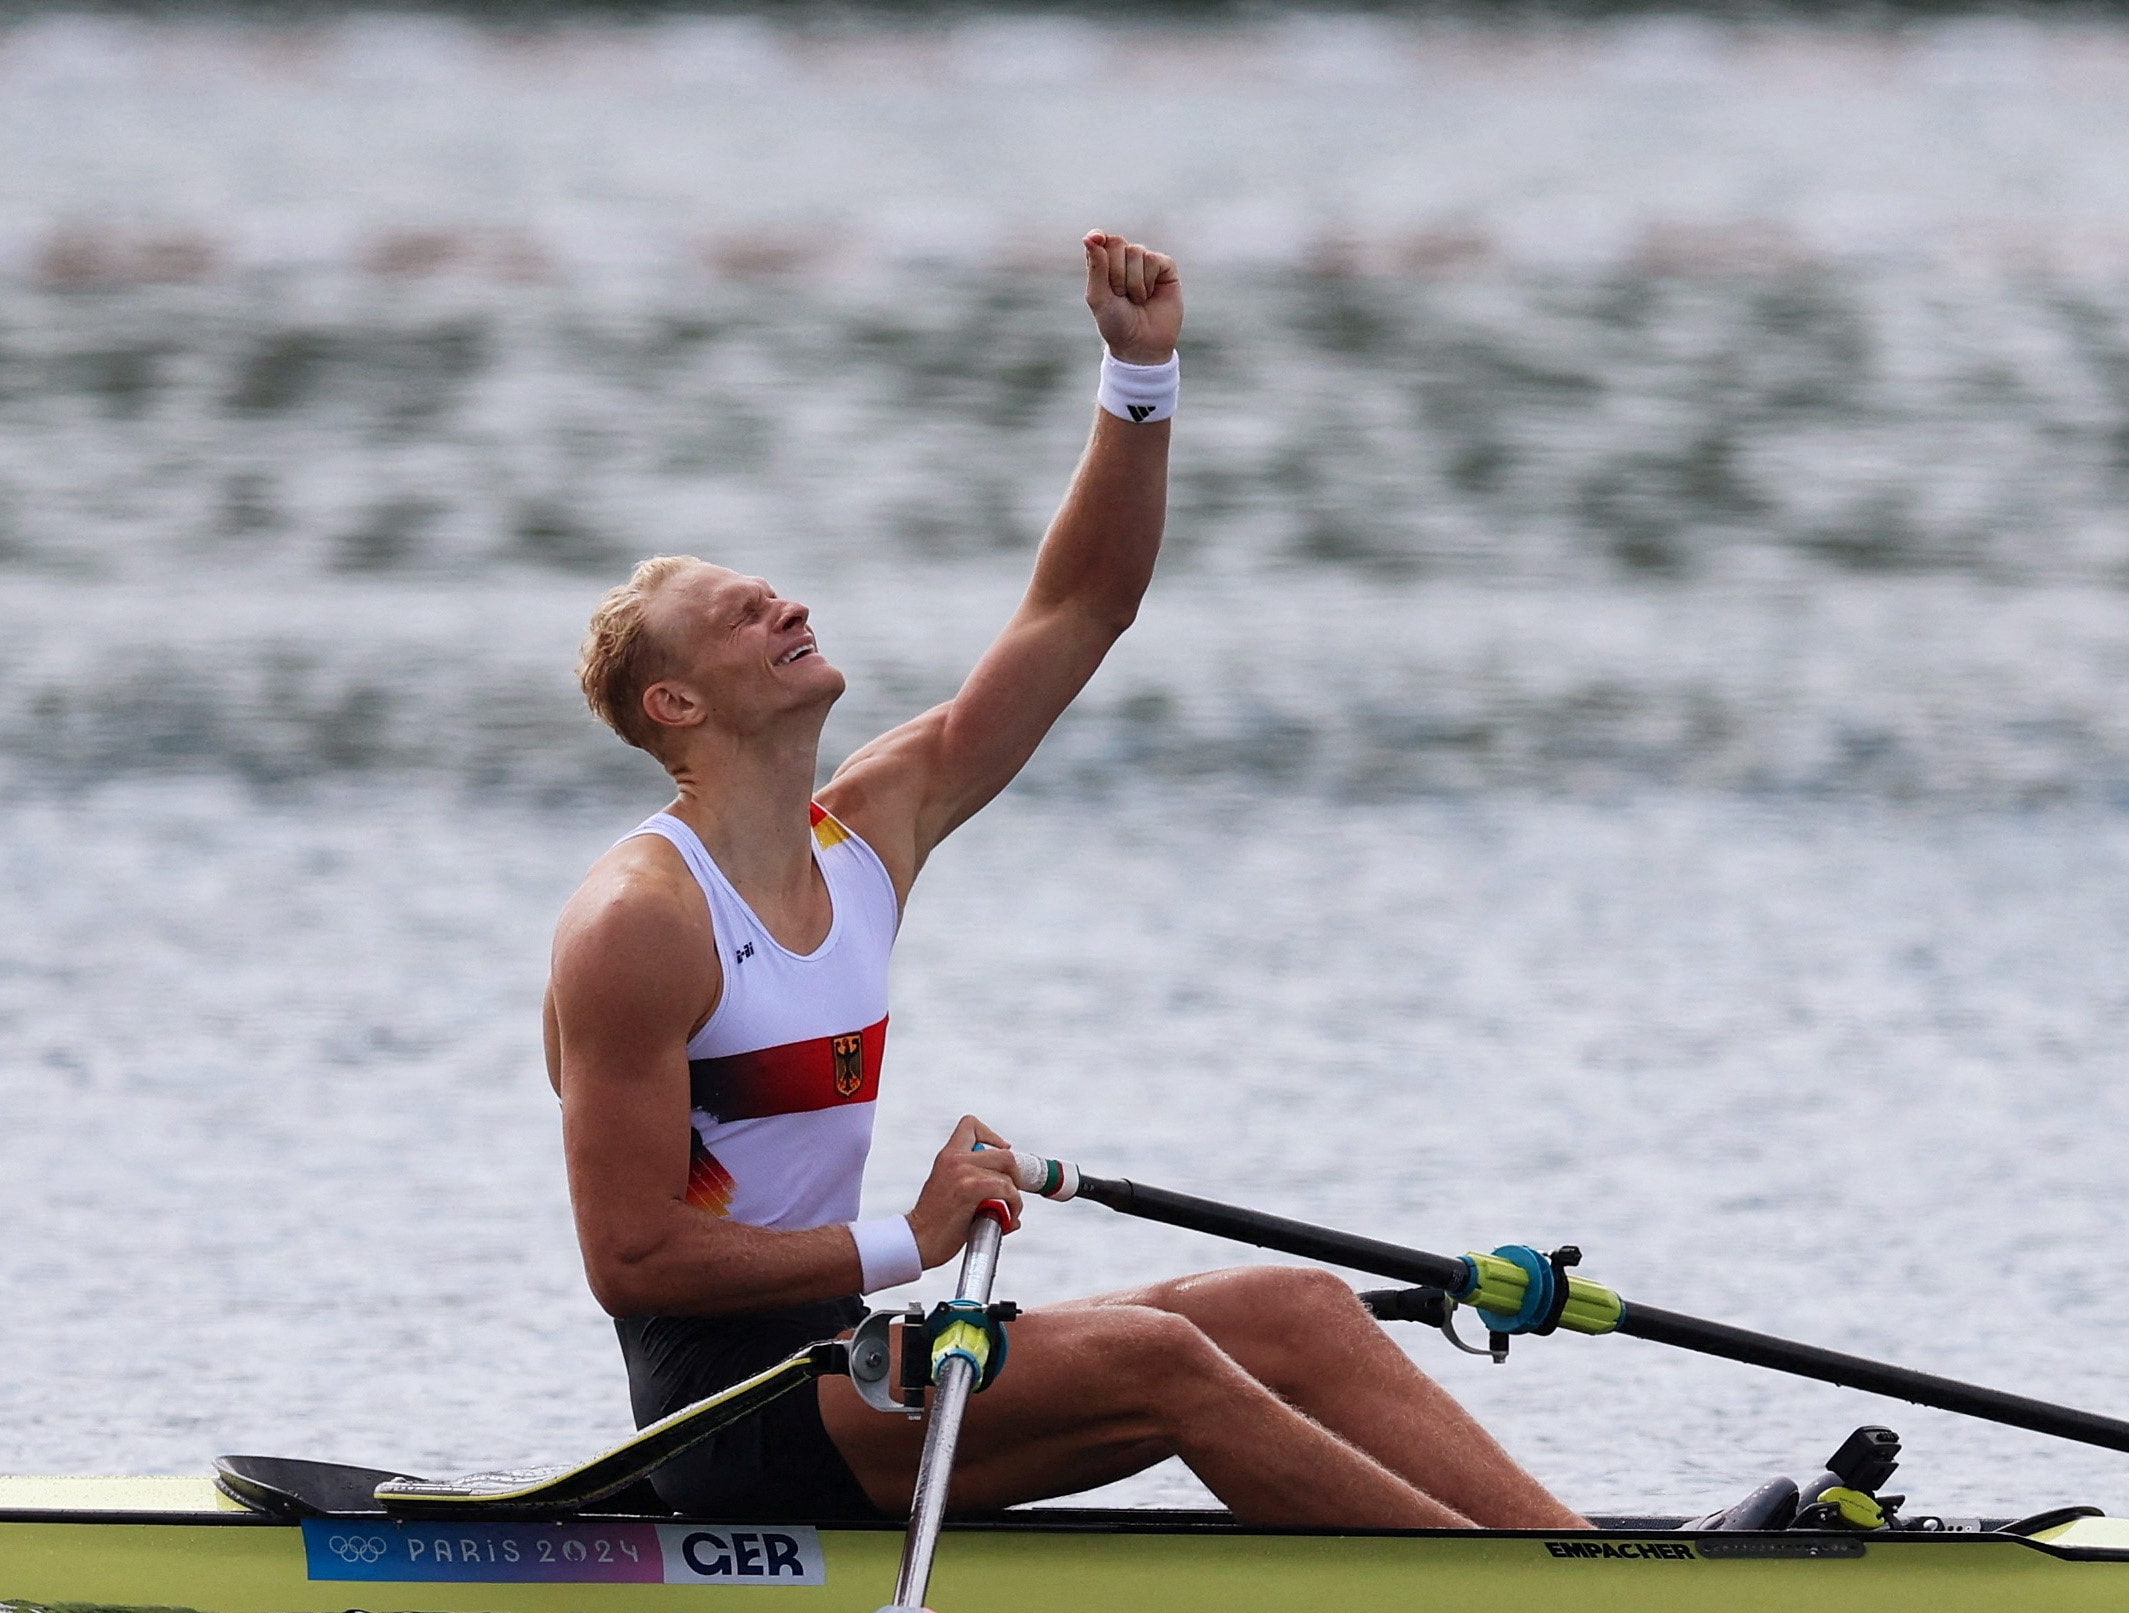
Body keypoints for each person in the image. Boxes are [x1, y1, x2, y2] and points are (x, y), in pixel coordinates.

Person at [542, 231, 1591, 1531]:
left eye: (775, 591)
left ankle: (1577, 1557)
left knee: (1296, 1308)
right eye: (741, 613)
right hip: (735, 1416)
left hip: (844, 1355)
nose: (787, 605)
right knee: (1158, 1359)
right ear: (678, 701)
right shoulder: (639, 921)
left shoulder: (872, 826)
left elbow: (1079, 608)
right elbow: (631, 1256)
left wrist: (1136, 376)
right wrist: (912, 1238)